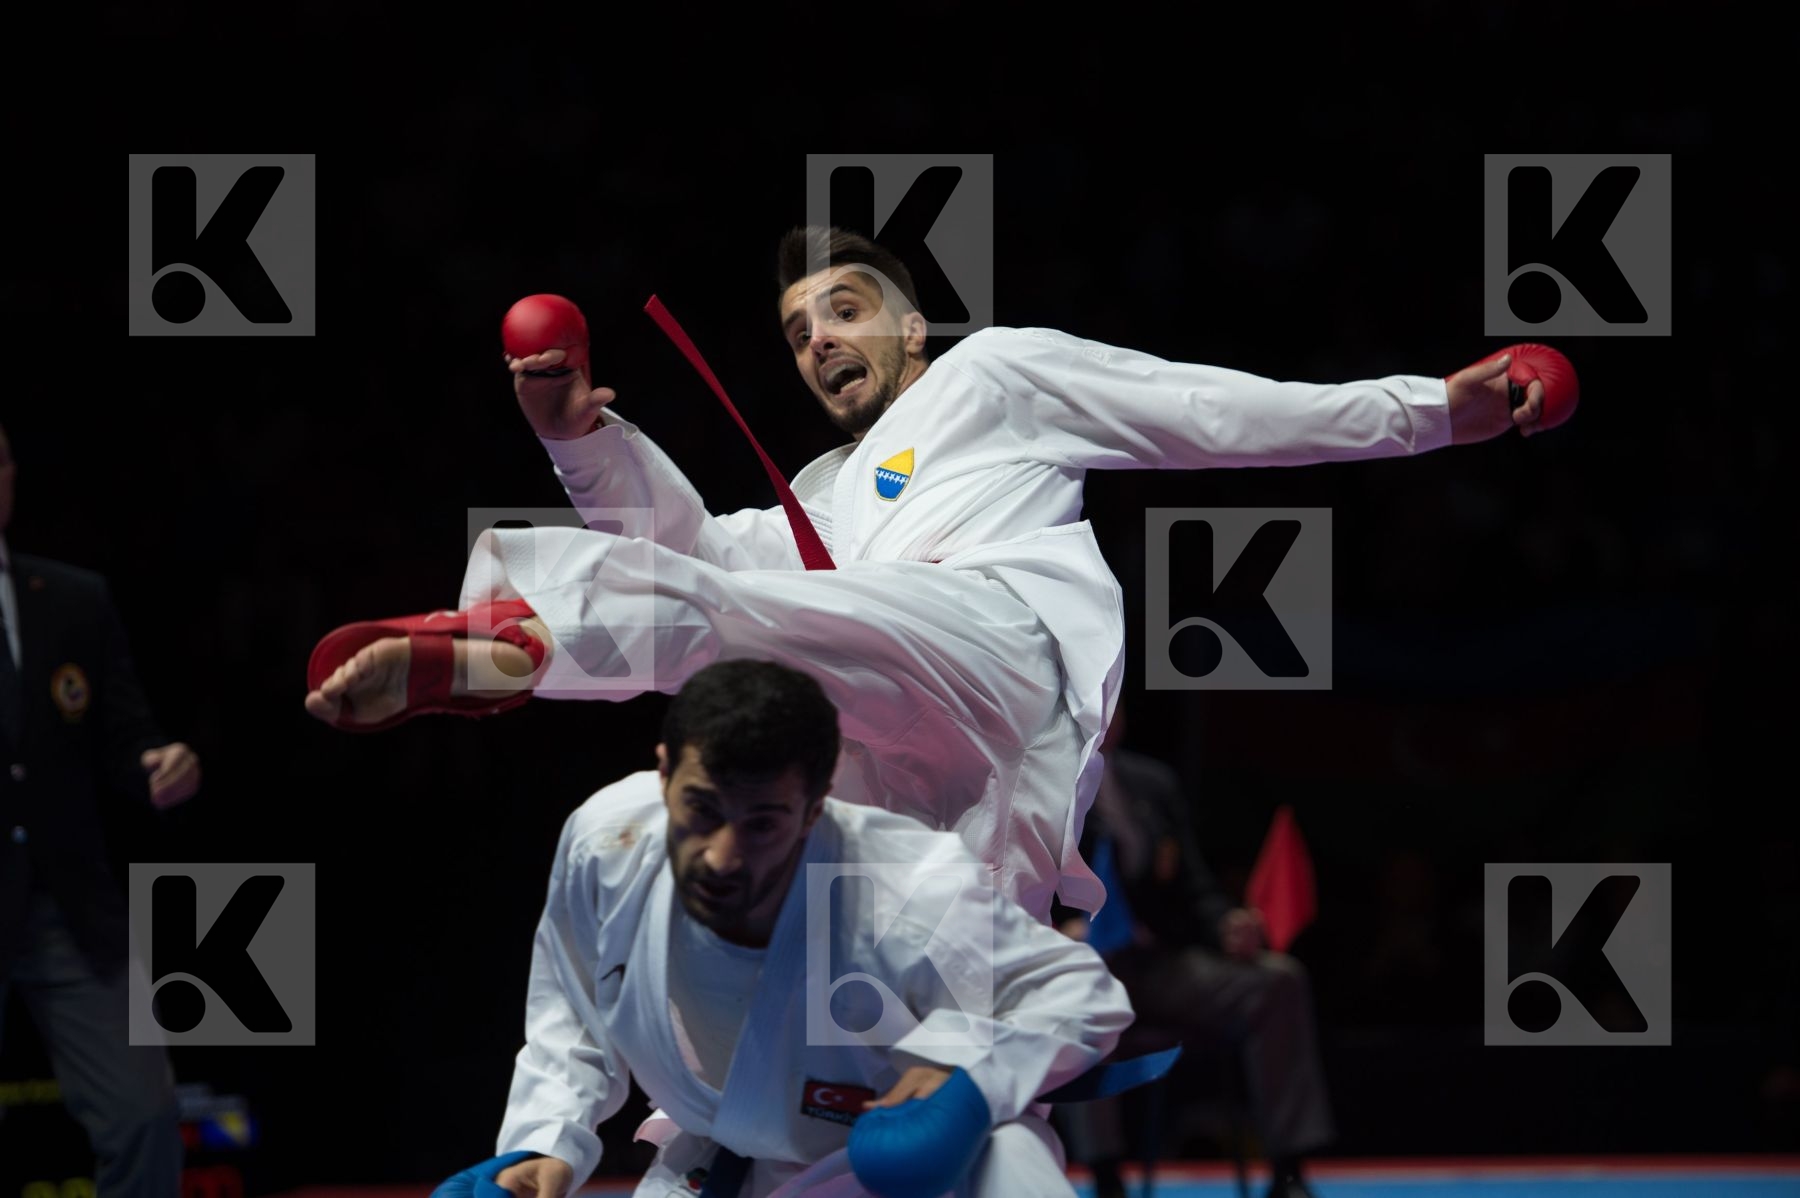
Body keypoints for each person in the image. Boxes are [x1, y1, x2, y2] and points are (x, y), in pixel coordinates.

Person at [305, 226, 1567, 924]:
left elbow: (1214, 412)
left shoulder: (993, 374)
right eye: (798, 331)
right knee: (912, 1074)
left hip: (1001, 652)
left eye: (845, 311)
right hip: (927, 783)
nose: (818, 340)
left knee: (752, 620)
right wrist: (579, 438)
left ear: (913, 325)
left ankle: (511, 650)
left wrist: (1434, 412)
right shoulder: (827, 495)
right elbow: (694, 564)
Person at [455, 658, 1132, 1197]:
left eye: (762, 824)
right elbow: (574, 1009)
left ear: (814, 810)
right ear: (663, 774)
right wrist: (546, 1137)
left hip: (894, 1168)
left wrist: (966, 1073)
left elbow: (1078, 991)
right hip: (720, 1165)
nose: (722, 855)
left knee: (1009, 1150)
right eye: (702, 809)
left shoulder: (901, 884)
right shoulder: (609, 842)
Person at [0, 420, 203, 1198]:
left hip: (67, 905)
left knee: (144, 1116)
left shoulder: (71, 599)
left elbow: (126, 736)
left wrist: (161, 761)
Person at [1054, 713, 1331, 1198]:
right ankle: (1106, 1178)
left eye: (1114, 696)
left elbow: (1193, 886)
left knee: (1278, 980)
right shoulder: (1037, 784)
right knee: (1077, 1000)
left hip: (1164, 966)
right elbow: (1013, 881)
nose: (1105, 709)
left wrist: (1225, 925)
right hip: (1087, 966)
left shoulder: (1153, 783)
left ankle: (1288, 1171)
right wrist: (1056, 928)